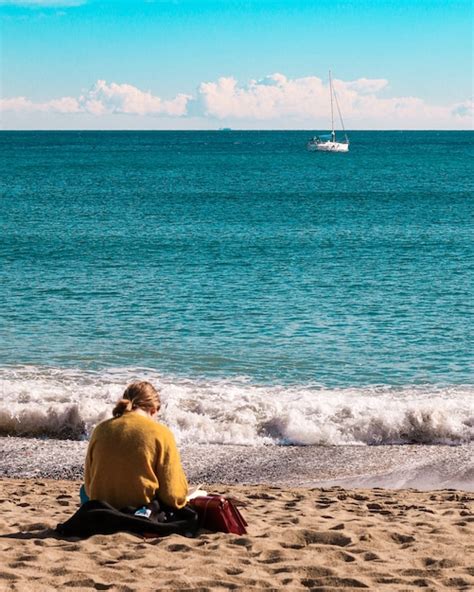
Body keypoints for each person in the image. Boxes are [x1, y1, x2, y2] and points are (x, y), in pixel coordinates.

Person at [83, 381, 188, 511]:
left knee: (82, 491)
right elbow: (173, 496)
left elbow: (88, 488)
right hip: (141, 513)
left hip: (101, 510)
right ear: (153, 409)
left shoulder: (100, 429)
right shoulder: (161, 433)